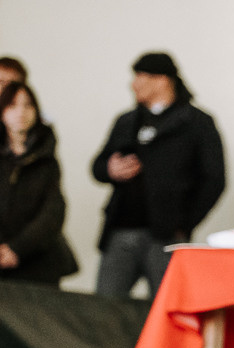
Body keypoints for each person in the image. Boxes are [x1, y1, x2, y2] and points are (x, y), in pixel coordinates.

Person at [92, 52, 225, 299]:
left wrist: (183, 224)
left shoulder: (197, 123)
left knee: (167, 306)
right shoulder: (127, 121)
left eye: (140, 76)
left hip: (166, 236)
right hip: (121, 231)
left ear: (162, 80)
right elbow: (98, 166)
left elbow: (214, 179)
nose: (133, 84)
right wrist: (110, 169)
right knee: (103, 308)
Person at [0, 81, 79, 285]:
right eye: (13, 106)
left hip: (37, 262)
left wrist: (18, 248)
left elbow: (53, 211)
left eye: (28, 105)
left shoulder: (47, 159)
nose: (21, 112)